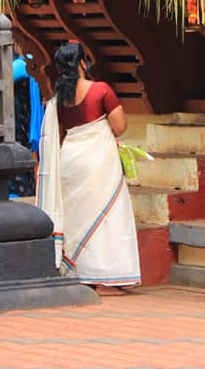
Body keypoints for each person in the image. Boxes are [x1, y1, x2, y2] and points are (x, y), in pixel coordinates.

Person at [37, 41, 141, 291]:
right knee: (110, 213)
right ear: (83, 62)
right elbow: (120, 127)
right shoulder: (101, 90)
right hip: (98, 159)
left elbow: (61, 131)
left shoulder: (58, 99)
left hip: (71, 158)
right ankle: (112, 271)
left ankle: (80, 270)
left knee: (77, 216)